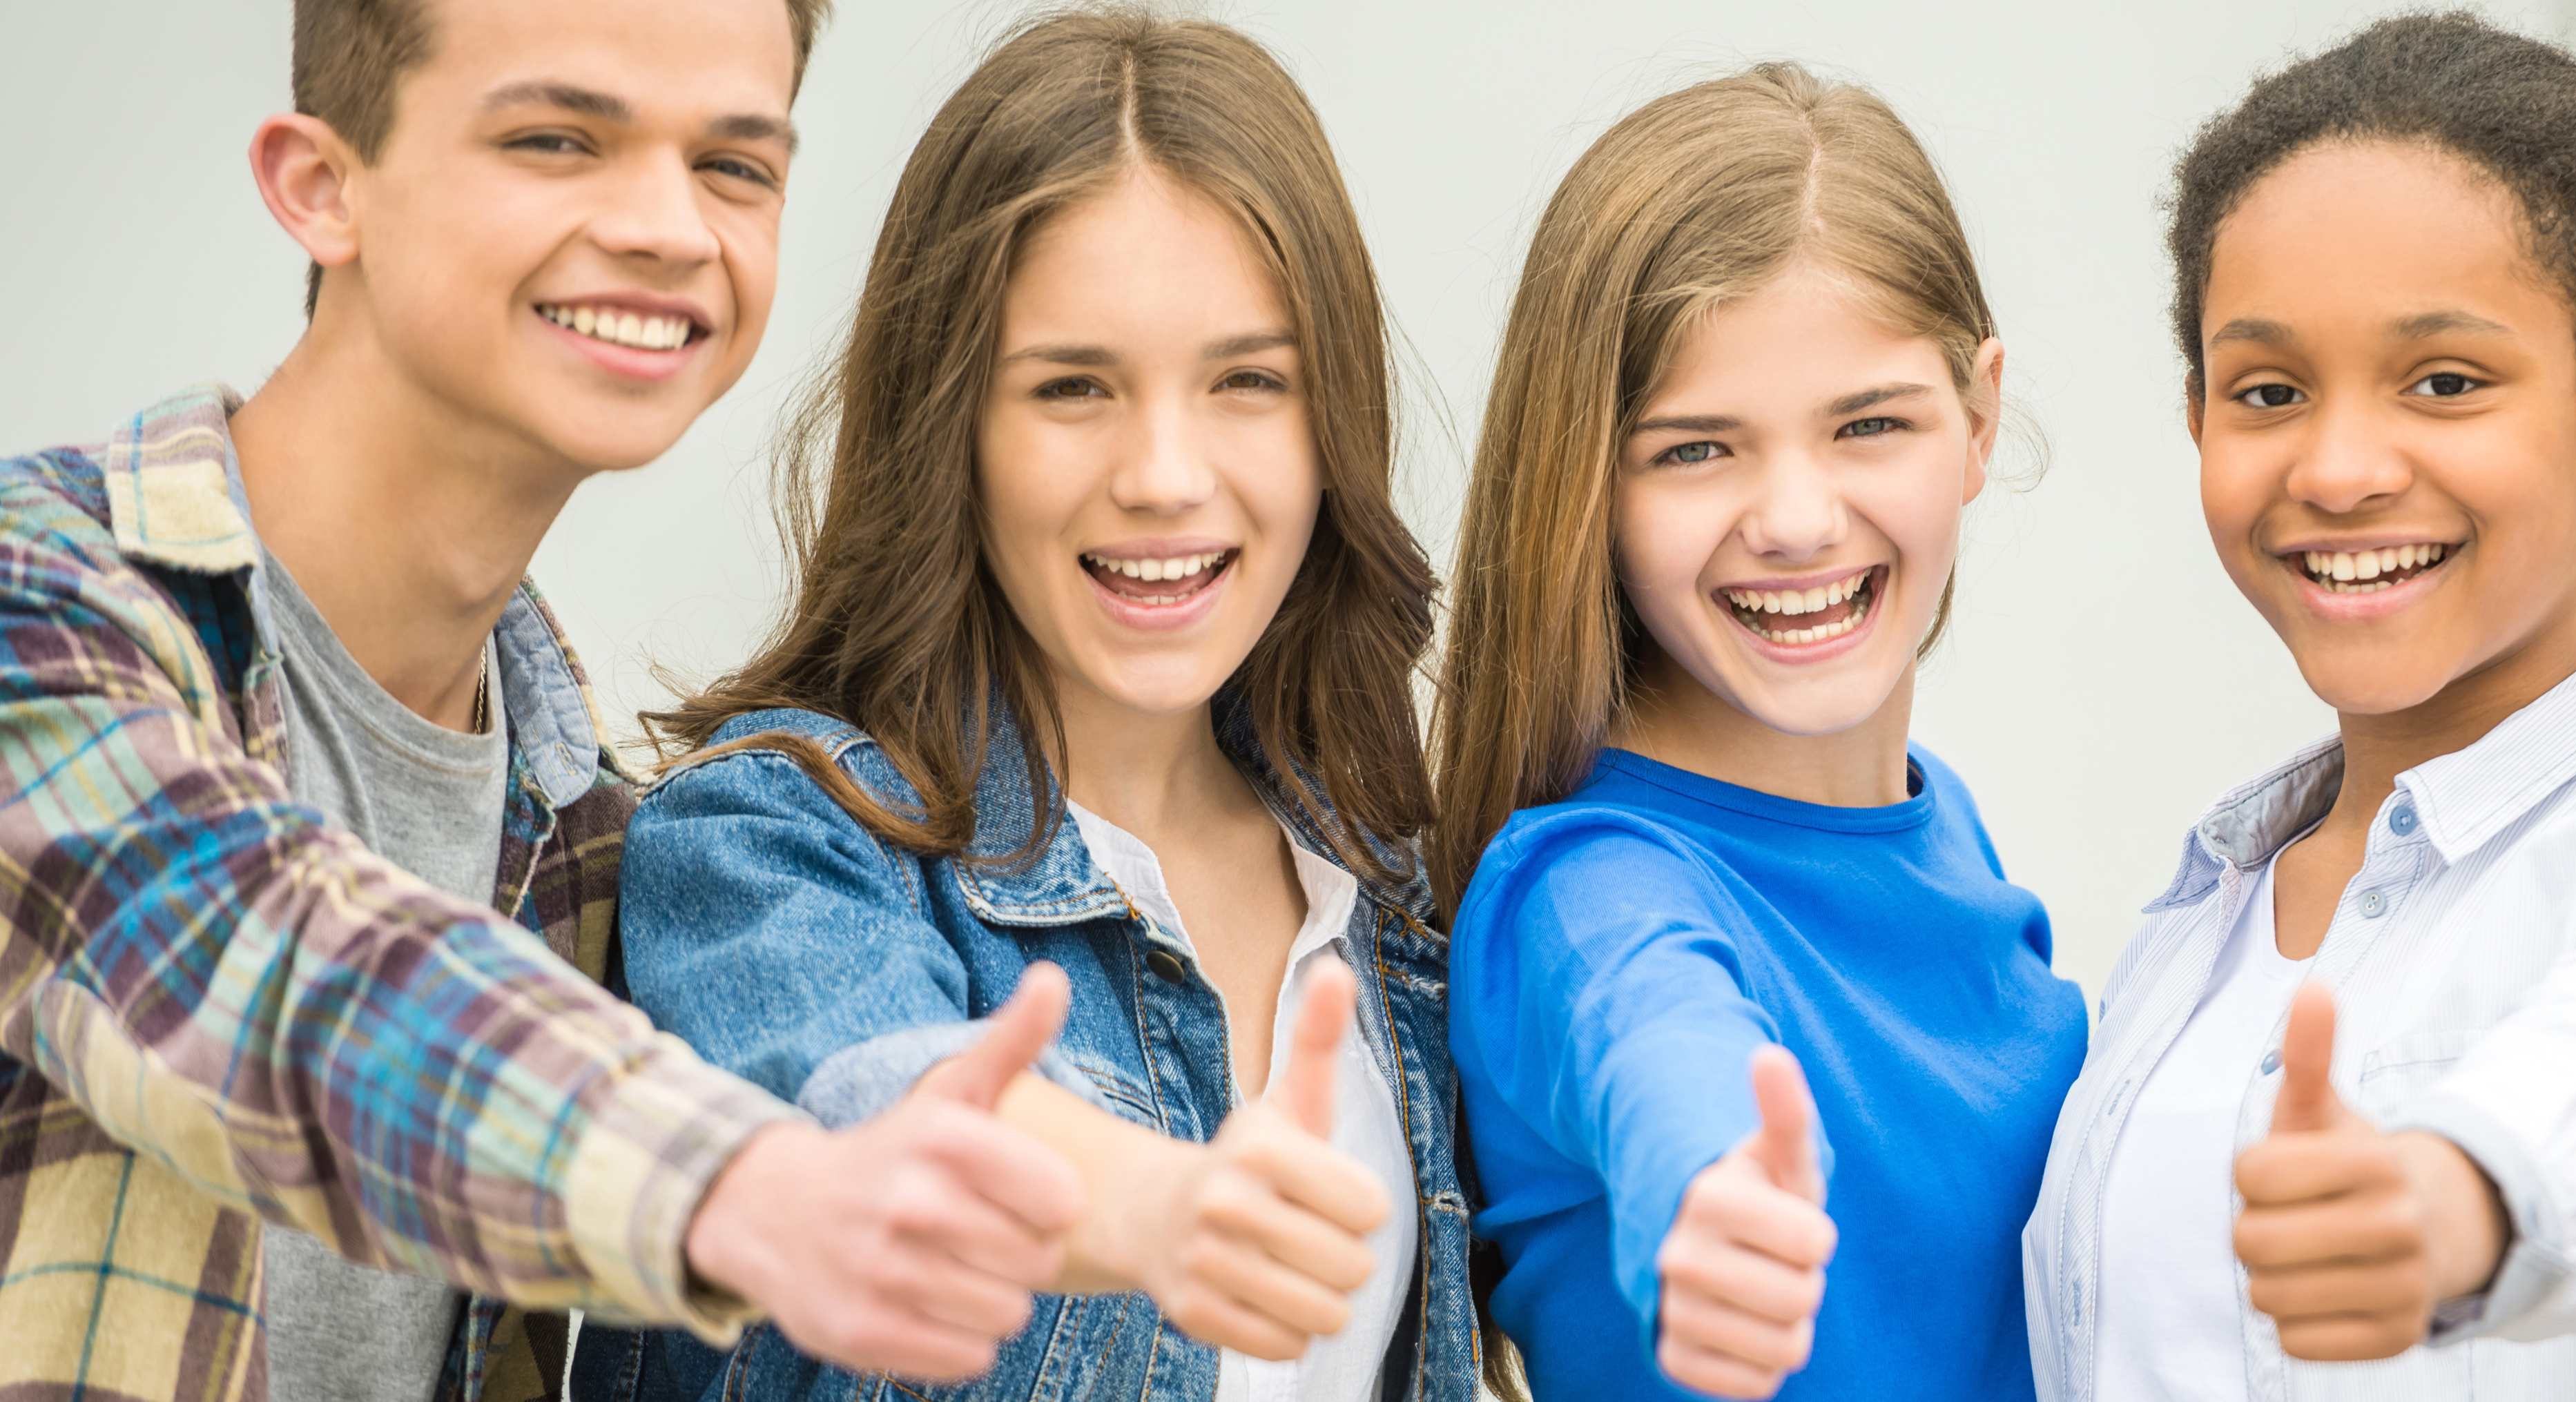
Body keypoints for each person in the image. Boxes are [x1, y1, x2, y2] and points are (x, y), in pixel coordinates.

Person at [0, 1, 1092, 1399]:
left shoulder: (583, 835)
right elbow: (265, 974)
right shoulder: (46, 601)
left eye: (734, 165)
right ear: (320, 186)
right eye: (558, 138)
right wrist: (746, 1187)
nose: (667, 227)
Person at [580, 10, 1479, 1400]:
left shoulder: (1392, 893)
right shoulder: (769, 846)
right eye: (1073, 387)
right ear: (954, 428)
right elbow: (881, 1109)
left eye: (1247, 381)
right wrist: (1143, 1206)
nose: (1166, 474)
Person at [2017, 15, 2576, 1401]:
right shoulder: (2185, 938)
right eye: (2269, 390)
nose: (2340, 465)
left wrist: (2452, 1201)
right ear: (2199, 421)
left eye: (2444, 381)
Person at [1433, 62, 2087, 1402]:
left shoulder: (1934, 821)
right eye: (1695, 450)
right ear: (1587, 485)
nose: (1795, 517)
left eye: (1868, 425)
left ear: (1976, 418)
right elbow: (1665, 1046)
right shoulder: (1587, 887)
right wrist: (1717, 1192)